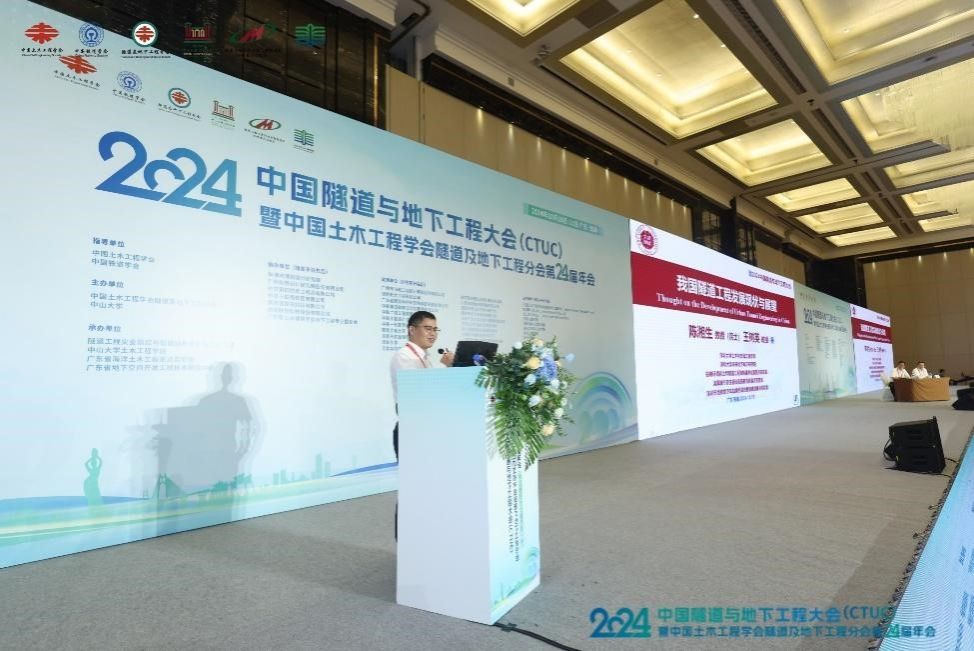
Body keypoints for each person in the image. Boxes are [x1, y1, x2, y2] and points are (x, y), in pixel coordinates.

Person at [389, 311, 454, 539]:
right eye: (428, 328)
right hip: (411, 432)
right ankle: (405, 543)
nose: (433, 334)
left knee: (425, 490)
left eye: (435, 329)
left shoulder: (425, 359)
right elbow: (421, 393)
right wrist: (452, 369)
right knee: (411, 491)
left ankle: (422, 541)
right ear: (411, 329)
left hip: (425, 432)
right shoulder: (404, 357)